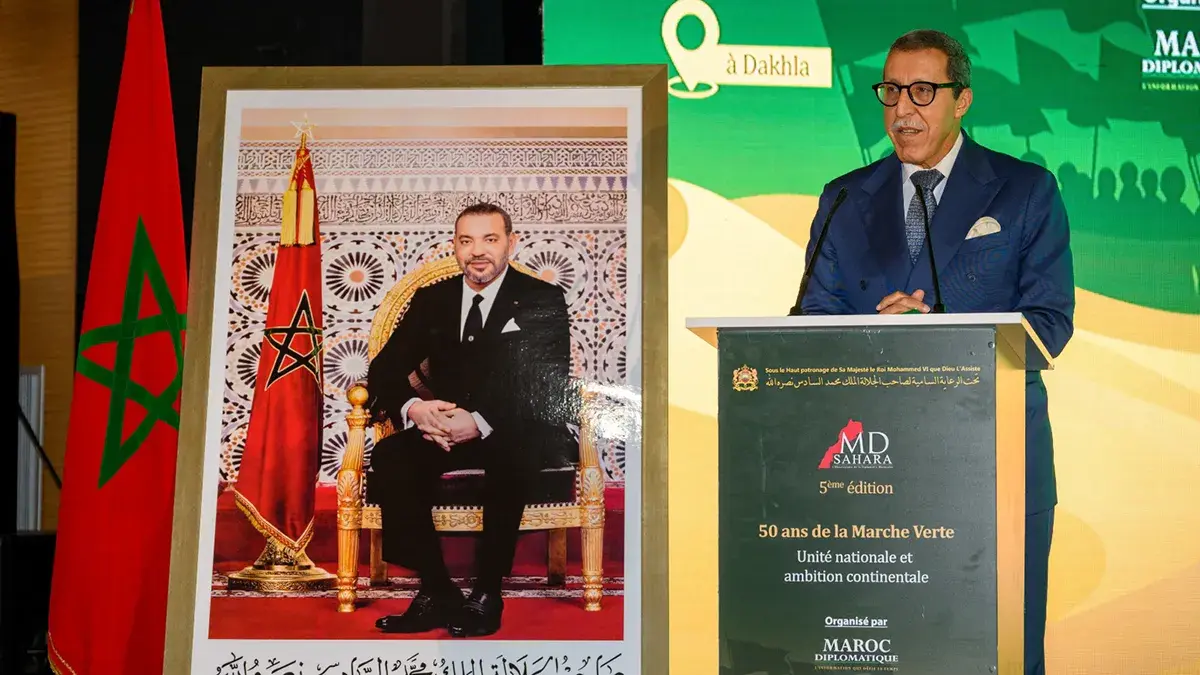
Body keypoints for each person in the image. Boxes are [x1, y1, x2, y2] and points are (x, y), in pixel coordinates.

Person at [790, 29, 1074, 674]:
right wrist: (876, 335)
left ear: (961, 100)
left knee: (1002, 647)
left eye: (922, 91)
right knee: (892, 650)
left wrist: (936, 332)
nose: (902, 109)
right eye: (891, 91)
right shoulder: (843, 197)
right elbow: (811, 321)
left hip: (996, 459)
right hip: (871, 466)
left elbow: (1049, 323)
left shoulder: (1024, 190)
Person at [366, 202, 576, 638]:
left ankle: (486, 593)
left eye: (489, 239)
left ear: (511, 243)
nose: (477, 251)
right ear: (455, 246)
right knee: (391, 456)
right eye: (467, 241)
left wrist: (479, 421)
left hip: (515, 425)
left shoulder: (541, 298)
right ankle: (436, 590)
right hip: (444, 426)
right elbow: (384, 369)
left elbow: (546, 382)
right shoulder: (433, 299)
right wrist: (417, 410)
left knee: (511, 454)